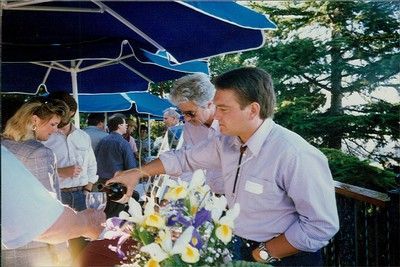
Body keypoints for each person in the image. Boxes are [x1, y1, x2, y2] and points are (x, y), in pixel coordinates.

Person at [108, 67, 340, 266]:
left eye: (223, 109)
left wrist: (265, 253)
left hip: (287, 257)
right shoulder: (227, 142)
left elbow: (321, 226)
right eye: (215, 108)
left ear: (253, 110)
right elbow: (183, 159)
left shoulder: (295, 154)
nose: (216, 117)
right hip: (241, 245)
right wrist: (136, 172)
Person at [1, 145, 106, 266]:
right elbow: (47, 224)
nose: (55, 129)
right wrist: (89, 222)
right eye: (53, 124)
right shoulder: (37, 152)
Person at [1, 98, 71, 266]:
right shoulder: (40, 153)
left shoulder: (4, 146)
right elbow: (49, 210)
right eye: (53, 124)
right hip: (34, 248)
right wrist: (63, 251)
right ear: (34, 120)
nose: (55, 130)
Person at [42, 91, 98, 260]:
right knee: (57, 246)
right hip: (55, 197)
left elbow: (92, 166)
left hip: (81, 195)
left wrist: (87, 191)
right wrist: (61, 172)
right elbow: (36, 172)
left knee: (82, 244)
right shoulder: (44, 137)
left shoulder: (83, 136)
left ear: (71, 112)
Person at [169, 72, 223, 192]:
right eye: (183, 113)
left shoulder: (230, 121)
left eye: (190, 113)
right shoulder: (190, 125)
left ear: (209, 104)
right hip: (209, 193)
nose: (186, 119)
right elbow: (188, 161)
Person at [95, 113, 138, 218]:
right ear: (119, 126)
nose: (126, 126)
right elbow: (131, 168)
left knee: (104, 214)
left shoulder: (102, 141)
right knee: (115, 217)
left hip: (100, 184)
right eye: (124, 124)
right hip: (117, 186)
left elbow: (94, 161)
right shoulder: (123, 143)